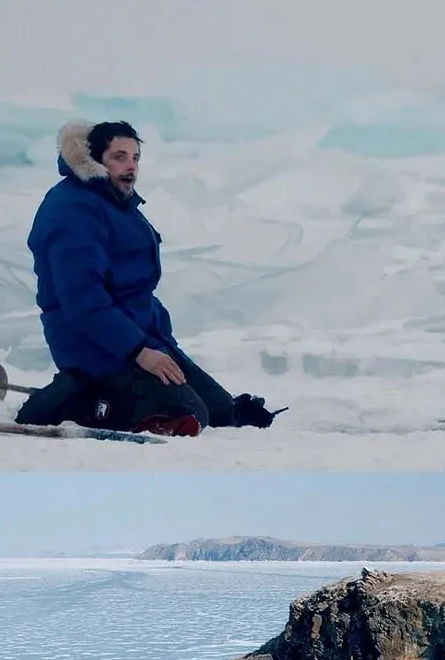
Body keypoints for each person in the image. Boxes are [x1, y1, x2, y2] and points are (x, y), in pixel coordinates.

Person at [18, 119, 281, 437]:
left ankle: (127, 393)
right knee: (187, 414)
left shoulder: (115, 202)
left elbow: (133, 289)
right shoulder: (72, 210)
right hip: (91, 344)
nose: (131, 166)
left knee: (221, 410)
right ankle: (71, 399)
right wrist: (138, 351)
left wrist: (156, 344)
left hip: (138, 339)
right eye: (119, 157)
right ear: (95, 159)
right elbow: (83, 301)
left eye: (135, 157)